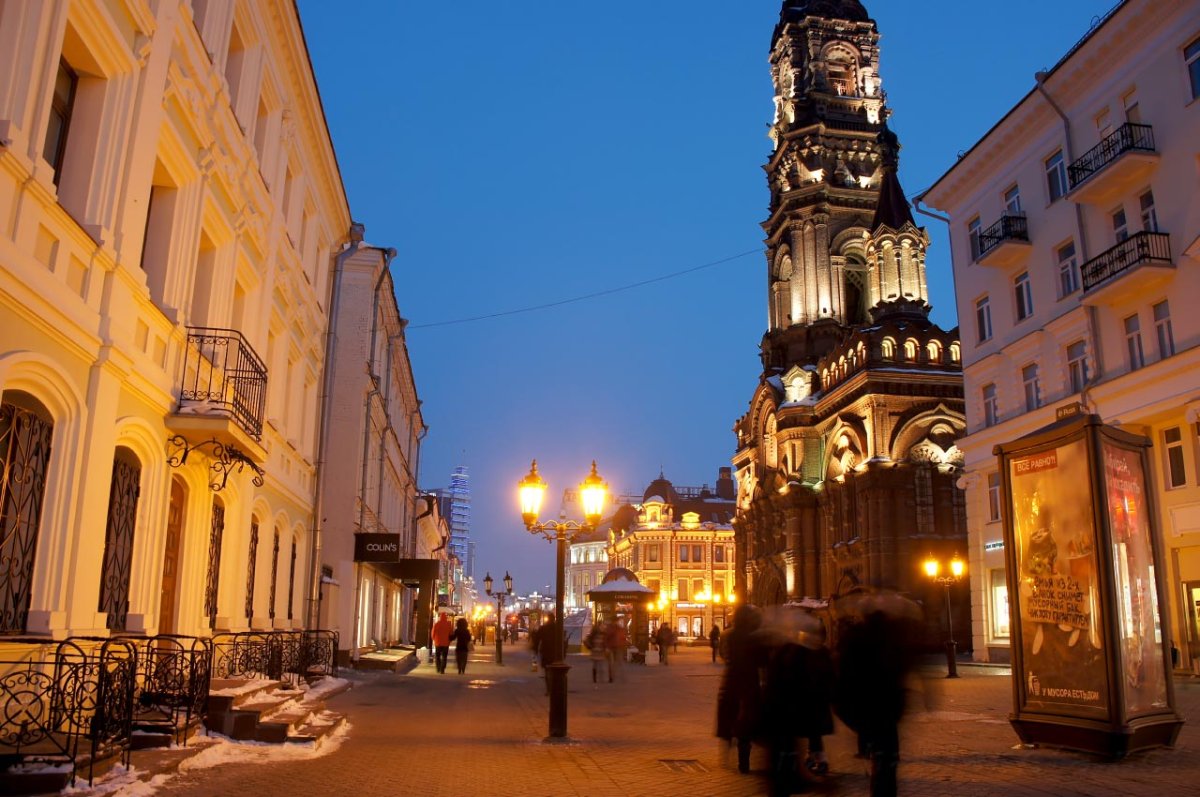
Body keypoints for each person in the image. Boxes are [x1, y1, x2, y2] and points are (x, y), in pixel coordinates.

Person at [834, 607, 918, 797]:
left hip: (867, 710)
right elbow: (901, 670)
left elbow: (843, 677)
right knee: (887, 764)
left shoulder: (856, 638)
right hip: (886, 712)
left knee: (882, 763)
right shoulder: (890, 638)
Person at [716, 604, 765, 774]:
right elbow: (762, 660)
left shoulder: (729, 635)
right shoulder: (755, 637)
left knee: (732, 715)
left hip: (731, 681)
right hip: (749, 682)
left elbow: (723, 654)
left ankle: (729, 744)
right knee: (747, 719)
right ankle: (744, 760)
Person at [605, 617, 628, 683]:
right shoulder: (612, 628)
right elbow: (606, 637)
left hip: (618, 647)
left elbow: (623, 638)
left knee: (617, 662)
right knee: (613, 663)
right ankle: (612, 677)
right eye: (618, 621)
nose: (619, 622)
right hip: (612, 647)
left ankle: (614, 677)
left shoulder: (619, 629)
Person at [585, 621, 609, 685]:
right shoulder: (601, 633)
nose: (603, 626)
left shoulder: (595, 633)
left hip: (596, 651)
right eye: (602, 625)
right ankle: (599, 678)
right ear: (599, 626)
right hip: (598, 651)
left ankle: (596, 678)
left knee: (597, 665)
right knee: (599, 665)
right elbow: (604, 642)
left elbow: (604, 642)